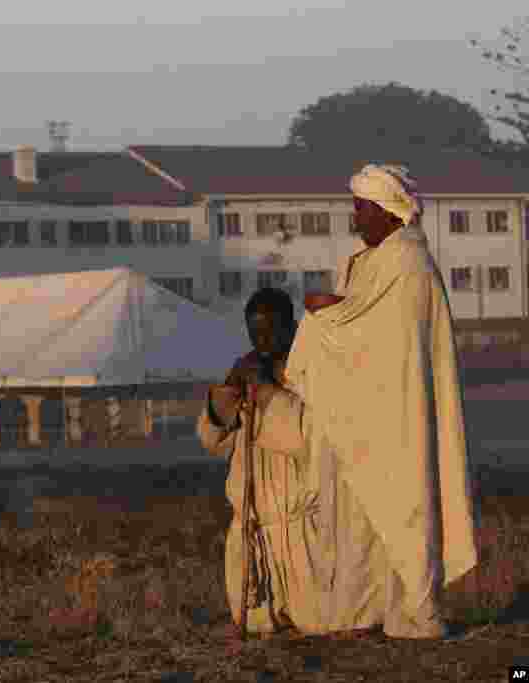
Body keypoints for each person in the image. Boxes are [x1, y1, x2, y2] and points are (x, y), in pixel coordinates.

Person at [276, 163, 479, 639]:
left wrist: (328, 316)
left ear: (389, 211)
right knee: (368, 516)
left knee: (405, 509)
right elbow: (366, 330)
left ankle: (418, 616)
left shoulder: (406, 261)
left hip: (401, 414)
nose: (356, 219)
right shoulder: (378, 259)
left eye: (362, 209)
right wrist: (336, 312)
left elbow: (375, 337)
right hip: (376, 411)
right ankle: (375, 613)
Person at [198, 287, 329, 635]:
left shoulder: (312, 371)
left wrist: (268, 392)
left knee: (319, 626)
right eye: (255, 332)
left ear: (291, 326)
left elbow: (308, 437)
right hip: (254, 530)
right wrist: (230, 390)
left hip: (302, 529)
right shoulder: (246, 372)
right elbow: (212, 440)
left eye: (272, 330)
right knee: (255, 625)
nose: (263, 340)